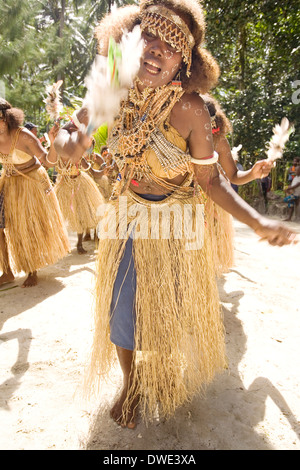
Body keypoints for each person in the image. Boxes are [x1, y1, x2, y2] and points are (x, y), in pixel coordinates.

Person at [54, 0, 297, 429]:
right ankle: (131, 383)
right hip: (128, 215)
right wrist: (69, 142)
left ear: (185, 61)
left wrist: (257, 222)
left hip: (177, 224)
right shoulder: (114, 89)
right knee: (121, 312)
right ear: (130, 40)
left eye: (172, 45)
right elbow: (76, 130)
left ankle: (161, 373)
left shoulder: (190, 109)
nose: (155, 49)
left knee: (168, 311)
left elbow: (213, 181)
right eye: (149, 35)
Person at [0, 98, 69, 287]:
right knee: (7, 228)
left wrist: (53, 143)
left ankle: (32, 270)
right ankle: (7, 271)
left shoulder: (23, 136)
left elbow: (48, 161)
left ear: (7, 118)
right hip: (9, 183)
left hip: (31, 183)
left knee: (28, 226)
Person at [203, 94, 274, 274]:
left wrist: (253, 173)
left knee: (205, 251)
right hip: (179, 205)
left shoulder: (218, 140)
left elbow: (233, 175)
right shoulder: (174, 134)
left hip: (210, 203)